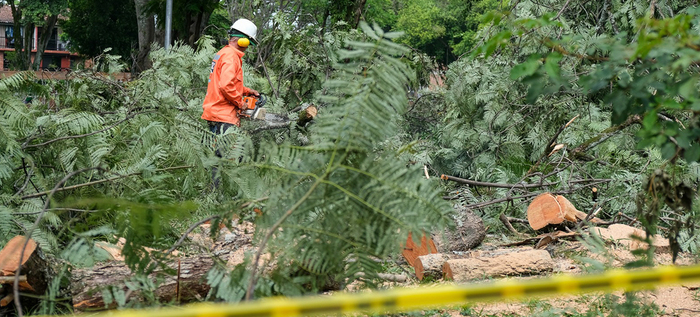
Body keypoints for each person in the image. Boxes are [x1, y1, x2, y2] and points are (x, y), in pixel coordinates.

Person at [202, 18, 260, 144]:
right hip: (223, 116)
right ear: (243, 41)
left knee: (217, 157)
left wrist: (247, 91)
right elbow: (226, 85)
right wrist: (240, 103)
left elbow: (225, 82)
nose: (247, 47)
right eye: (248, 43)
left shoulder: (224, 53)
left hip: (217, 113)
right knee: (227, 159)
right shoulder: (231, 57)